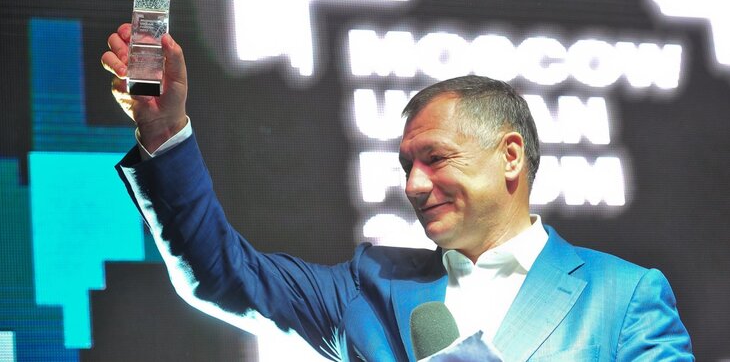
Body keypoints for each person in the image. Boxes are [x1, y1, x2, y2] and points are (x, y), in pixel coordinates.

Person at [102, 23, 693, 361]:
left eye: (435, 159)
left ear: (510, 156)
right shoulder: (369, 286)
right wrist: (164, 130)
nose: (413, 185)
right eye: (406, 165)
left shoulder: (623, 296)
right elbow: (218, 274)